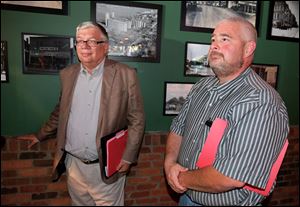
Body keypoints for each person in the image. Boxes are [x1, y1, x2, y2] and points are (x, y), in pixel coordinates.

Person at [164, 17, 289, 206]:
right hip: (187, 195)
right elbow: (179, 127)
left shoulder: (262, 102)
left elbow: (231, 176)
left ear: (248, 49)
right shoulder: (201, 86)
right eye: (213, 40)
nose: (214, 45)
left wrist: (180, 178)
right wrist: (170, 163)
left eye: (225, 39)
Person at [17, 21, 145, 206]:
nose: (84, 46)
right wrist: (40, 135)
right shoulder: (67, 74)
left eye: (92, 41)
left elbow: (137, 118)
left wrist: (128, 156)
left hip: (106, 167)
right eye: (79, 41)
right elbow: (60, 111)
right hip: (74, 166)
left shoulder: (125, 74)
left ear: (106, 47)